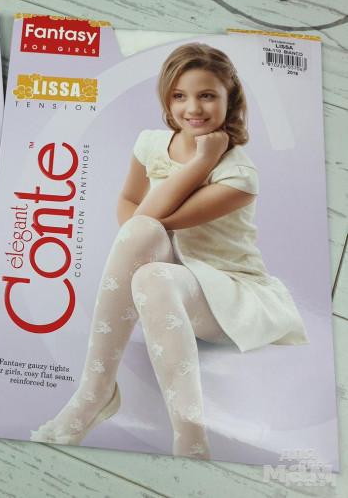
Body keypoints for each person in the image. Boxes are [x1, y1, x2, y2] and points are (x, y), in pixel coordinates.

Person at [30, 43, 308, 458]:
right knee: (144, 245)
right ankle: (95, 390)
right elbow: (130, 204)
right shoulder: (150, 144)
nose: (192, 108)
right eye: (179, 96)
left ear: (231, 99)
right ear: (166, 99)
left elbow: (157, 218)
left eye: (207, 95)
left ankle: (190, 437)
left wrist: (201, 163)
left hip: (224, 291)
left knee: (149, 251)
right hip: (165, 275)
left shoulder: (238, 175)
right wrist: (138, 239)